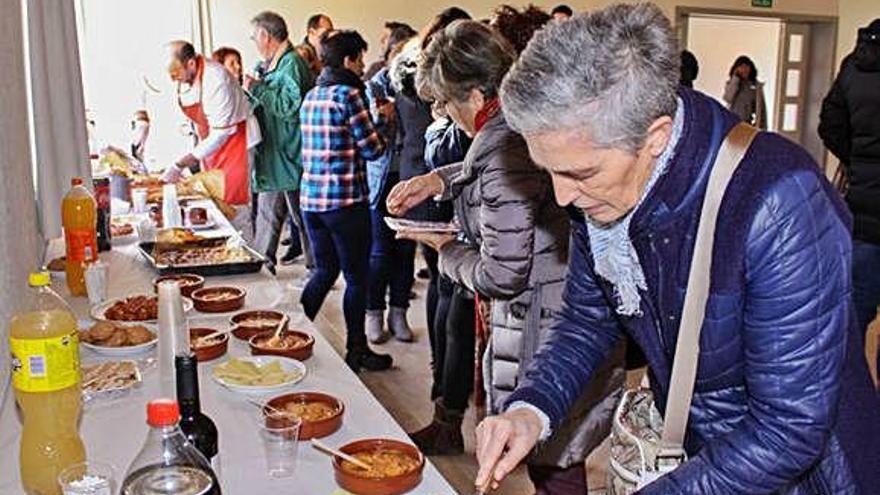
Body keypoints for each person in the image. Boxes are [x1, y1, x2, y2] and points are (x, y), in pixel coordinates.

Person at [473, 4, 880, 494]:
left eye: (580, 173)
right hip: (703, 454)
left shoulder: (780, 200)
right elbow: (587, 319)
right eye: (549, 172)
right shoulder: (604, 184)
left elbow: (788, 429)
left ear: (656, 137)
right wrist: (530, 409)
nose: (562, 197)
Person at [388, 21, 623, 493]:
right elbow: (493, 162)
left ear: (476, 96)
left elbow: (502, 273)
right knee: (559, 453)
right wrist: (437, 180)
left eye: (445, 102)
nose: (443, 112)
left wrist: (444, 249)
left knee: (554, 459)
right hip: (559, 304)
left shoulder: (502, 147)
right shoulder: (520, 121)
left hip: (545, 322)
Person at [299, 30, 395, 373]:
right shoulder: (349, 95)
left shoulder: (312, 95)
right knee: (356, 278)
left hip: (311, 201)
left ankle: (290, 335)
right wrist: (384, 120)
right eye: (359, 59)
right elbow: (373, 149)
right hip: (345, 202)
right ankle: (357, 351)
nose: (363, 66)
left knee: (324, 270)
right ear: (347, 60)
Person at [819, 18, 880, 375]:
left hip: (864, 208)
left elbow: (829, 124)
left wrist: (857, 159)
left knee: (855, 308)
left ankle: (850, 389)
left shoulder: (855, 66)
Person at [244, 12, 314, 275]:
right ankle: (262, 266)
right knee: (268, 215)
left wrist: (257, 88)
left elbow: (288, 106)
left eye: (255, 37)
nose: (255, 43)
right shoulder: (274, 64)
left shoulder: (292, 63)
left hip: (291, 155)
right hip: (275, 156)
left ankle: (318, 272)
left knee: (304, 218)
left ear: (265, 35)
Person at [364, 29, 422, 344]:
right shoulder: (374, 86)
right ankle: (374, 313)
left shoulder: (418, 86)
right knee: (379, 251)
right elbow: (364, 138)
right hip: (382, 178)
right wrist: (381, 117)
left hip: (411, 175)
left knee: (405, 248)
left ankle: (399, 313)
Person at [163, 41, 253, 224]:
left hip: (236, 144)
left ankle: (243, 241)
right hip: (211, 148)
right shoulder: (187, 77)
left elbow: (220, 135)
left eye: (177, 73)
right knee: (215, 206)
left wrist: (179, 164)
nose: (174, 79)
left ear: (191, 63)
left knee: (234, 210)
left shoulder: (216, 79)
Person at [723, 54, 766, 129]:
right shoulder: (732, 83)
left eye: (746, 66)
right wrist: (735, 79)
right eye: (741, 66)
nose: (744, 69)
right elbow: (728, 98)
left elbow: (761, 110)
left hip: (747, 124)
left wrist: (761, 128)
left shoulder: (756, 87)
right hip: (732, 123)